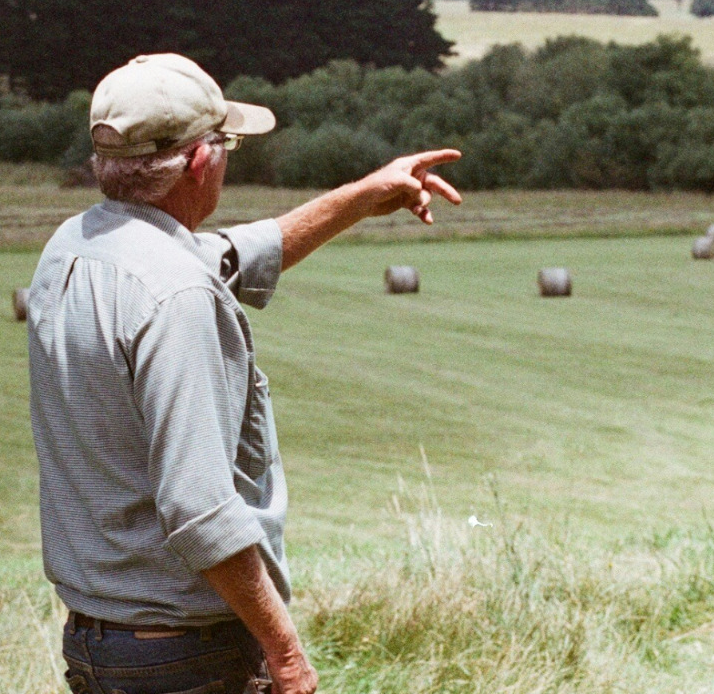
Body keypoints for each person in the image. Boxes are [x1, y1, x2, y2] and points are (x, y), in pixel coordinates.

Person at [26, 53, 461, 694]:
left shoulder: (76, 244)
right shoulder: (178, 296)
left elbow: (235, 252)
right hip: (190, 659)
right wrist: (285, 654)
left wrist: (368, 194)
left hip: (101, 646)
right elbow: (200, 511)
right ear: (202, 161)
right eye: (225, 143)